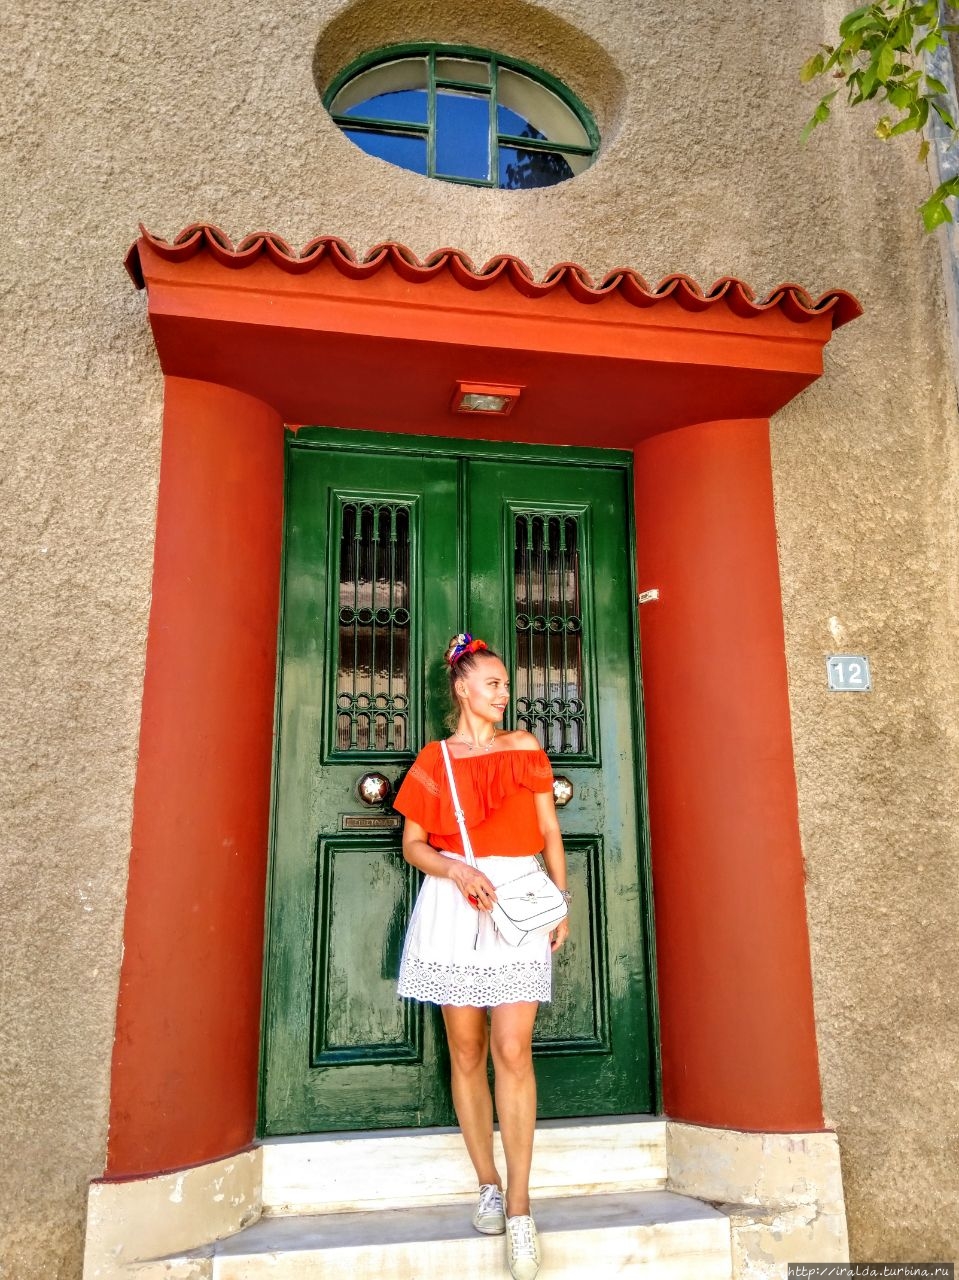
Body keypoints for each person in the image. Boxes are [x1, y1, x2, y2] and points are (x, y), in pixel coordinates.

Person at [393, 633, 571, 1280]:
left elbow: (548, 829)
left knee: (512, 1050)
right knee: (465, 1051)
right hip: (454, 903)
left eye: (505, 684)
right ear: (461, 687)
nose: (503, 693)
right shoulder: (434, 759)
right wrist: (457, 870)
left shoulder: (524, 747)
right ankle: (487, 1185)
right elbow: (414, 843)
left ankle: (520, 1209)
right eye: (492, 683)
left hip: (519, 901)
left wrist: (560, 900)